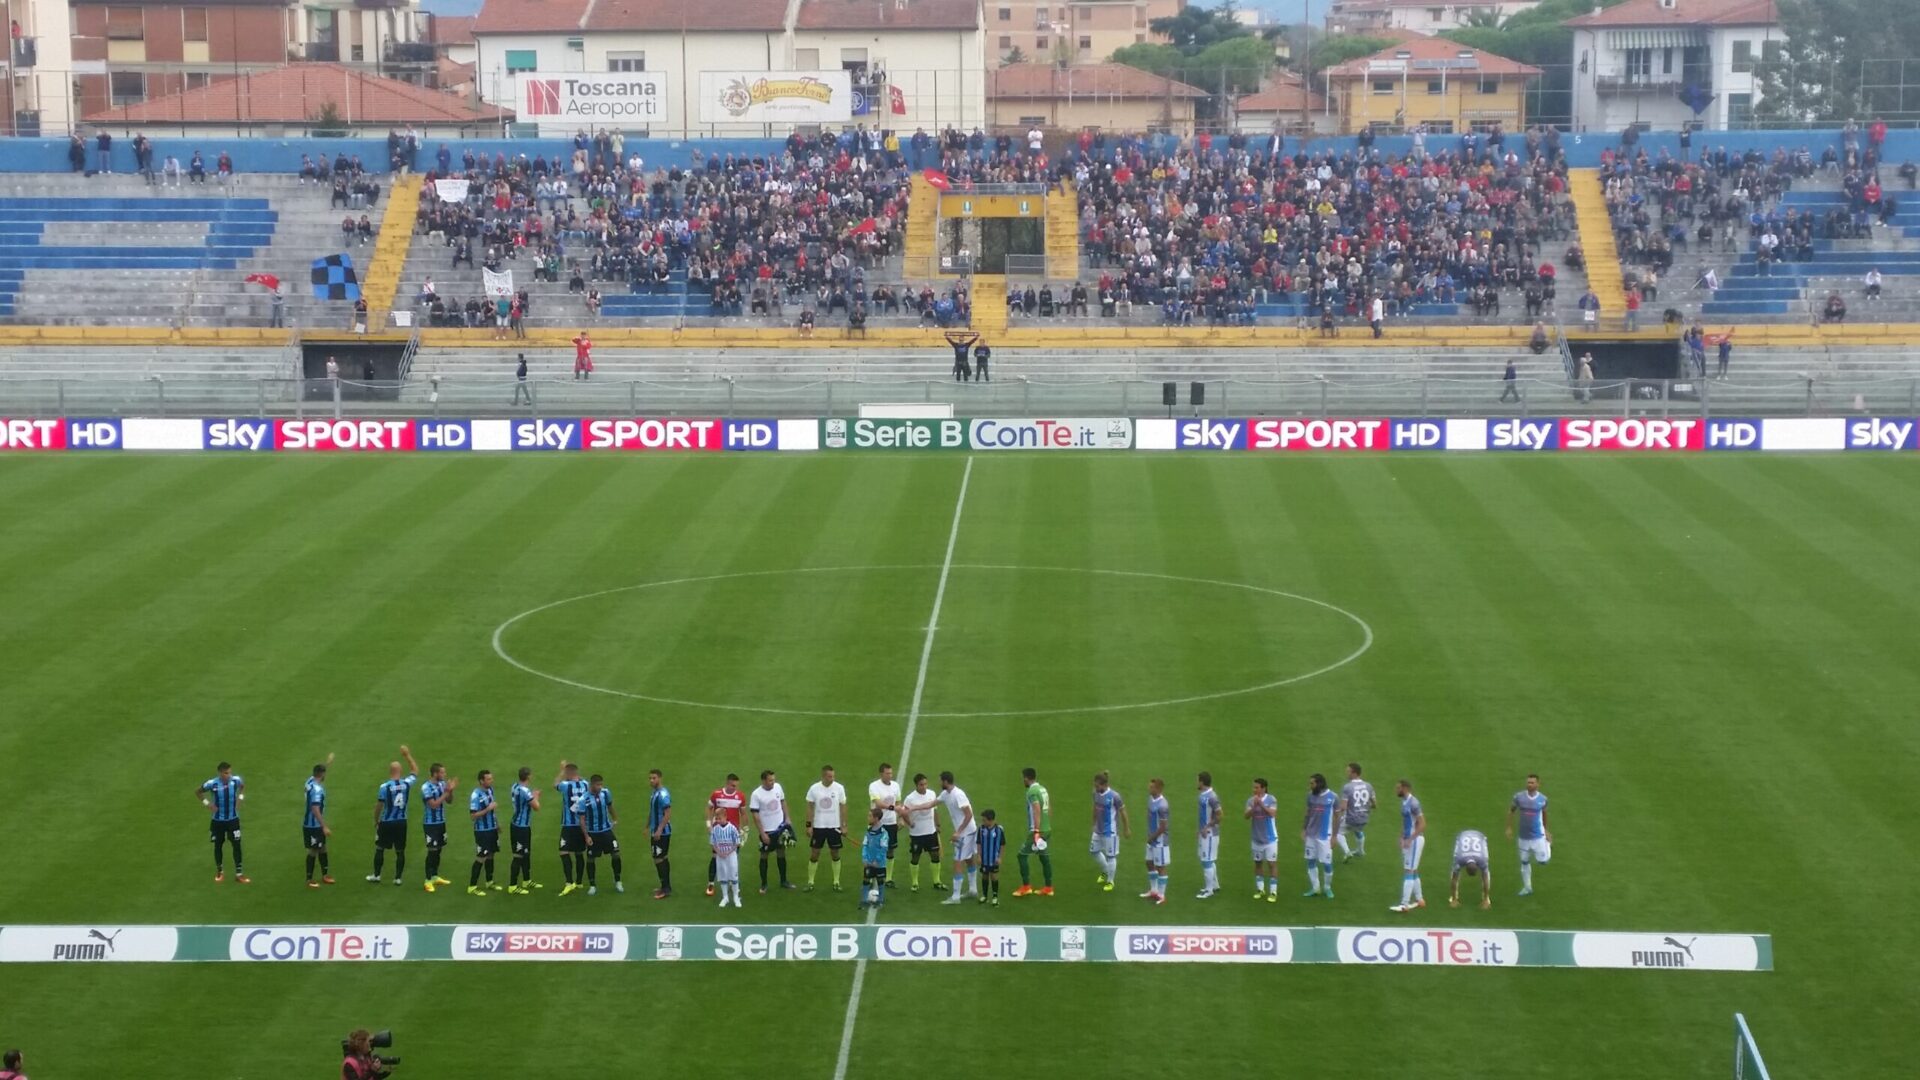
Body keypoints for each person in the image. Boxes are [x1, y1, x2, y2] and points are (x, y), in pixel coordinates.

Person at [366, 745, 421, 886]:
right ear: (401, 771)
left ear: (390, 771)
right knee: (400, 850)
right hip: (401, 821)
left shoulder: (385, 787)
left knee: (380, 847)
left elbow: (379, 806)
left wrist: (376, 820)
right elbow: (415, 771)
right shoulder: (406, 784)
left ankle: (377, 875)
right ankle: (398, 878)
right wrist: (407, 755)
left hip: (387, 821)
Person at [197, 760, 248, 884]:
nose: (229, 775)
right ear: (220, 773)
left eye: (230, 772)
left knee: (237, 845)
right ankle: (220, 872)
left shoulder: (235, 780)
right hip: (218, 821)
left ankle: (239, 874)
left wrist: (240, 799)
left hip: (233, 820)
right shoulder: (212, 783)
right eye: (226, 773)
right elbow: (198, 792)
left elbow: (242, 787)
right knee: (218, 845)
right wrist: (208, 804)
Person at [748, 769, 795, 893]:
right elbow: (755, 816)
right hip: (767, 831)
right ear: (763, 780)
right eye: (770, 780)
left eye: (773, 780)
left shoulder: (778, 787)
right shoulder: (756, 794)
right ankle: (764, 884)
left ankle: (784, 881)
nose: (772, 782)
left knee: (781, 852)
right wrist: (762, 833)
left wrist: (787, 817)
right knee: (764, 855)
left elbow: (783, 802)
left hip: (780, 828)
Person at [577, 773, 623, 896]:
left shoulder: (605, 793)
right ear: (592, 785)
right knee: (591, 858)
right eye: (598, 785)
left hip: (606, 831)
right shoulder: (583, 799)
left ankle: (618, 881)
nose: (600, 787)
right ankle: (592, 885)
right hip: (593, 833)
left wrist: (615, 819)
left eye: (601, 784)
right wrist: (586, 836)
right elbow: (581, 819)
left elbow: (610, 806)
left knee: (616, 853)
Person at [937, 770, 979, 904]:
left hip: (965, 833)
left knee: (957, 862)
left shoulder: (958, 794)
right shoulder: (945, 794)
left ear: (945, 781)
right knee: (969, 859)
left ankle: (955, 897)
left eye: (940, 780)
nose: (939, 783)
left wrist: (958, 832)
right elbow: (932, 803)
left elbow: (969, 814)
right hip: (970, 831)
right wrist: (913, 808)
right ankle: (973, 889)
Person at [1506, 773, 1552, 897]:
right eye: (1528, 782)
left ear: (1538, 784)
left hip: (1538, 836)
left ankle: (1548, 844)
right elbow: (1511, 810)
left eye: (1532, 783)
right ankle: (1527, 887)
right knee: (1524, 861)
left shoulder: (1543, 799)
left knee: (1543, 862)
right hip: (1523, 837)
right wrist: (1509, 827)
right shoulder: (1519, 797)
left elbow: (1544, 813)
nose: (1529, 785)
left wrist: (1546, 830)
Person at [804, 764, 848, 891]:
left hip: (834, 826)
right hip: (819, 826)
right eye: (829, 776)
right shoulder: (814, 789)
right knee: (815, 853)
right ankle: (810, 882)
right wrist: (809, 825)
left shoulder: (839, 788)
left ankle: (836, 881)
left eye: (833, 776)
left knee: (835, 853)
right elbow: (810, 807)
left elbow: (843, 807)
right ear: (823, 776)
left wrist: (844, 825)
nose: (832, 778)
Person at [901, 772, 944, 892]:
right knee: (915, 857)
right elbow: (903, 813)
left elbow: (935, 810)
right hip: (917, 834)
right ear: (916, 785)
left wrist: (938, 825)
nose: (924, 786)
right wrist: (910, 823)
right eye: (921, 784)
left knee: (935, 855)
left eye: (925, 784)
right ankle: (915, 883)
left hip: (931, 831)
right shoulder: (910, 798)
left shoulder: (932, 794)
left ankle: (937, 881)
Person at [1013, 766, 1053, 897]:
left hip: (1038, 830)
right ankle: (1048, 887)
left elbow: (1036, 809)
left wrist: (1036, 831)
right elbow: (1048, 808)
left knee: (1022, 855)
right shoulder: (1043, 789)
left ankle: (1026, 886)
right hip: (1047, 829)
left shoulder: (1032, 792)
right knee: (1044, 857)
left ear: (1026, 778)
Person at [419, 763, 458, 894]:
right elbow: (434, 805)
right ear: (435, 774)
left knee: (439, 849)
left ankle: (435, 876)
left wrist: (450, 791)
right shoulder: (426, 787)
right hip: (430, 824)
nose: (444, 775)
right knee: (432, 851)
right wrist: (446, 792)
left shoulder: (442, 785)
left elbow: (450, 801)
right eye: (442, 772)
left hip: (441, 822)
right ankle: (427, 880)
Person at [706, 774, 747, 897]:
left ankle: (731, 883)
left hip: (733, 832)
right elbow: (709, 808)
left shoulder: (740, 796)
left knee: (732, 858)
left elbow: (743, 814)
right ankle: (711, 883)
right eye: (733, 785)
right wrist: (708, 823)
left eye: (736, 786)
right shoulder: (716, 794)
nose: (735, 788)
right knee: (715, 856)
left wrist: (745, 829)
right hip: (718, 831)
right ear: (727, 783)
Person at [1302, 773, 1342, 899]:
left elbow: (1337, 817)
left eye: (1312, 783)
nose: (1310, 786)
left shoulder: (1333, 797)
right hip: (1311, 835)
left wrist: (1335, 836)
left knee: (1327, 863)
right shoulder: (1310, 796)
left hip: (1325, 836)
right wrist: (1304, 829)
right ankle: (1315, 888)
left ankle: (1327, 888)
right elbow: (1307, 813)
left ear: (1319, 783)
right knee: (1311, 861)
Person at [1390, 779, 1427, 913]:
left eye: (1398, 788)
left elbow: (1422, 824)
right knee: (1414, 870)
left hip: (1415, 840)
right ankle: (1420, 899)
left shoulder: (1413, 803)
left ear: (1405, 788)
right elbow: (1406, 822)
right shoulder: (1404, 802)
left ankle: (1404, 904)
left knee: (1408, 871)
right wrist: (1401, 837)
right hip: (1409, 840)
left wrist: (1410, 839)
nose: (1396, 790)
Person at [1089, 770, 1130, 892]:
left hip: (1110, 832)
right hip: (1098, 829)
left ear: (1104, 785)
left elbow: (1123, 812)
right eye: (1095, 786)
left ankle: (1110, 881)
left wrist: (1126, 828)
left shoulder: (1114, 796)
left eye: (1097, 786)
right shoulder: (1095, 793)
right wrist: (1093, 822)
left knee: (1111, 856)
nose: (1095, 788)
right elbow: (1095, 808)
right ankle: (1106, 870)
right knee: (1093, 851)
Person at [555, 761, 589, 895]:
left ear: (568, 773)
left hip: (568, 825)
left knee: (563, 851)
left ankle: (569, 882)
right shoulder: (586, 784)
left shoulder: (565, 785)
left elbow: (555, 784)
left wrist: (562, 770)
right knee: (579, 852)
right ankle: (579, 882)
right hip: (582, 825)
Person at [867, 763, 901, 889]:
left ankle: (888, 878)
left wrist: (900, 817)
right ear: (881, 773)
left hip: (891, 822)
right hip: (877, 823)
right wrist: (893, 807)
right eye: (887, 773)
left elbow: (898, 801)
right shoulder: (874, 786)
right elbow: (878, 803)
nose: (890, 775)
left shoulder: (896, 786)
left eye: (891, 773)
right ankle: (871, 877)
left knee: (890, 850)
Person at [304, 754, 336, 888]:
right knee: (313, 850)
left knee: (322, 847)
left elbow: (318, 773)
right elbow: (315, 808)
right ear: (321, 775)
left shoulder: (309, 782)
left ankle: (325, 874)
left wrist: (327, 763)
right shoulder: (317, 790)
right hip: (313, 825)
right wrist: (324, 826)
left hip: (313, 824)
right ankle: (309, 879)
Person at [508, 766, 541, 893]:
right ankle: (513, 886)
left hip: (518, 825)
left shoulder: (514, 786)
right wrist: (536, 795)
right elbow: (536, 807)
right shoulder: (525, 791)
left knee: (525, 854)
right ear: (528, 776)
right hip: (520, 828)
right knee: (519, 855)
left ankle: (526, 880)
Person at [1245, 777, 1279, 903]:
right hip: (1256, 838)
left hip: (1270, 838)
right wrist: (1254, 806)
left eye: (1256, 787)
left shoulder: (1271, 799)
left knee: (1271, 864)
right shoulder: (1250, 800)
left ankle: (1273, 891)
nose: (1254, 789)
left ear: (1263, 788)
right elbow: (1246, 816)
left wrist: (1261, 804)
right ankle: (1260, 889)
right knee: (1258, 863)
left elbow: (1272, 814)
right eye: (1253, 787)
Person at [468, 770, 500, 896]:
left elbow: (493, 811)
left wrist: (497, 824)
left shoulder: (490, 790)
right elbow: (473, 815)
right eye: (488, 779)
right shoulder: (476, 795)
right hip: (482, 831)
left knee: (491, 855)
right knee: (481, 857)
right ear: (481, 780)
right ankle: (472, 886)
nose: (491, 781)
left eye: (491, 779)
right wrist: (488, 809)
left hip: (492, 829)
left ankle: (489, 881)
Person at [1337, 762, 1376, 862]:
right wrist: (1363, 807)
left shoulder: (1347, 787)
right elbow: (1374, 805)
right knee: (1358, 830)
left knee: (1338, 832)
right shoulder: (1369, 786)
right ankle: (1360, 851)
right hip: (1364, 818)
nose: (1347, 774)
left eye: (1348, 772)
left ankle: (1347, 852)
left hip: (1351, 818)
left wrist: (1336, 812)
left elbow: (1343, 807)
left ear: (1354, 773)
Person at [1141, 777, 1170, 905]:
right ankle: (1153, 890)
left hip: (1160, 841)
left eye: (1152, 787)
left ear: (1158, 789)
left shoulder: (1163, 805)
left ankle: (1162, 895)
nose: (1149, 788)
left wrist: (1151, 837)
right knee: (1149, 862)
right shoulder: (1151, 800)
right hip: (1151, 838)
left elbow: (1163, 827)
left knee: (1160, 867)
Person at [1195, 772, 1224, 899]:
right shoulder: (1203, 795)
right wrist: (1200, 829)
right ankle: (1214, 885)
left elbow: (1220, 815)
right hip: (1204, 832)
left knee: (1207, 861)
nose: (1196, 782)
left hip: (1210, 834)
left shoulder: (1212, 797)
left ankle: (1209, 890)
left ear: (1202, 782)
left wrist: (1207, 827)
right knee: (1207, 860)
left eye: (1197, 780)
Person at [1450, 828, 1494, 910]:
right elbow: (1484, 878)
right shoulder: (1459, 859)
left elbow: (1454, 878)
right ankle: (1454, 898)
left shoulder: (1482, 859)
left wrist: (1485, 899)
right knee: (1455, 871)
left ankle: (1486, 899)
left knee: (1455, 872)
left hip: (1479, 836)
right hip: (1462, 836)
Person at [711, 803, 744, 909]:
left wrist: (728, 852)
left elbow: (737, 843)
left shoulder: (732, 829)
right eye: (716, 818)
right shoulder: (715, 829)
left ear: (725, 817)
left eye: (719, 818)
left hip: (731, 856)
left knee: (733, 876)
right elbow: (713, 843)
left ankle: (735, 897)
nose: (718, 820)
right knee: (723, 876)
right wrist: (719, 853)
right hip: (720, 856)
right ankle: (725, 897)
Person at [646, 769, 672, 899]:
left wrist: (659, 830)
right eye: (650, 778)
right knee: (662, 858)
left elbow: (668, 814)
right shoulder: (654, 793)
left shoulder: (663, 795)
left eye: (654, 778)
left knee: (659, 859)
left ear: (660, 778)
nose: (651, 780)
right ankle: (666, 886)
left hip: (661, 833)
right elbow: (652, 811)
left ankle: (665, 888)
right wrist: (647, 827)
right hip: (656, 830)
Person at [858, 808, 890, 910]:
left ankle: (880, 900)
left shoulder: (883, 832)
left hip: (879, 863)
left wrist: (877, 860)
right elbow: (865, 845)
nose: (868, 818)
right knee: (866, 880)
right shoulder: (869, 831)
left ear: (876, 818)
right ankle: (864, 900)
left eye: (870, 816)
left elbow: (884, 848)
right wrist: (864, 858)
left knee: (880, 881)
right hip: (869, 862)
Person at [976, 809, 1006, 906]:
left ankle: (995, 896)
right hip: (984, 859)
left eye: (984, 820)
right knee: (984, 876)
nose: (983, 822)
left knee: (993, 876)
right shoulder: (981, 829)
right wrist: (979, 856)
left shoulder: (999, 830)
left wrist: (1000, 857)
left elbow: (1002, 845)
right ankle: (984, 895)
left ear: (991, 820)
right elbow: (979, 843)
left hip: (994, 859)